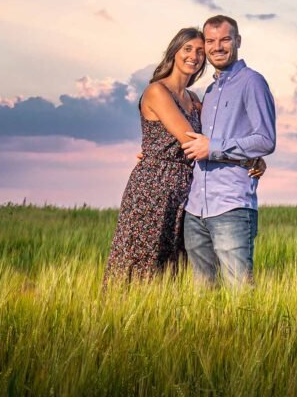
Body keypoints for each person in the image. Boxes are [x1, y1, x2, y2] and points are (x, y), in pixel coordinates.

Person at [103, 27, 265, 284]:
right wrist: (247, 158)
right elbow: (193, 142)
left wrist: (251, 153)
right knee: (145, 259)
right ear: (174, 53)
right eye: (187, 49)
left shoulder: (195, 99)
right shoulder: (157, 91)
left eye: (200, 51)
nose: (195, 56)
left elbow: (216, 137)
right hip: (154, 188)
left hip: (185, 189)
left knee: (171, 269)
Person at [180, 14, 276, 287]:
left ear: (238, 41)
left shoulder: (252, 82)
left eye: (225, 39)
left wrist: (215, 148)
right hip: (195, 210)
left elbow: (265, 139)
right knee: (202, 295)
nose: (217, 47)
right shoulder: (208, 93)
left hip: (231, 206)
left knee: (240, 291)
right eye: (210, 41)